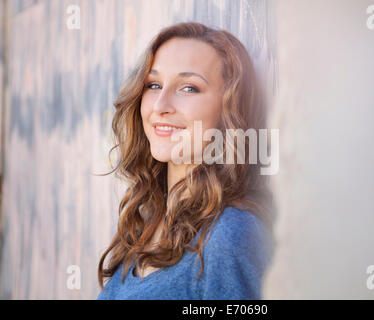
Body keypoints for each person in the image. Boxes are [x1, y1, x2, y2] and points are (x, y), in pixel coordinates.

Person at [97, 21, 276, 300]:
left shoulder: (230, 236)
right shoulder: (147, 222)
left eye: (189, 88)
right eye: (154, 85)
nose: (160, 106)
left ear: (229, 108)